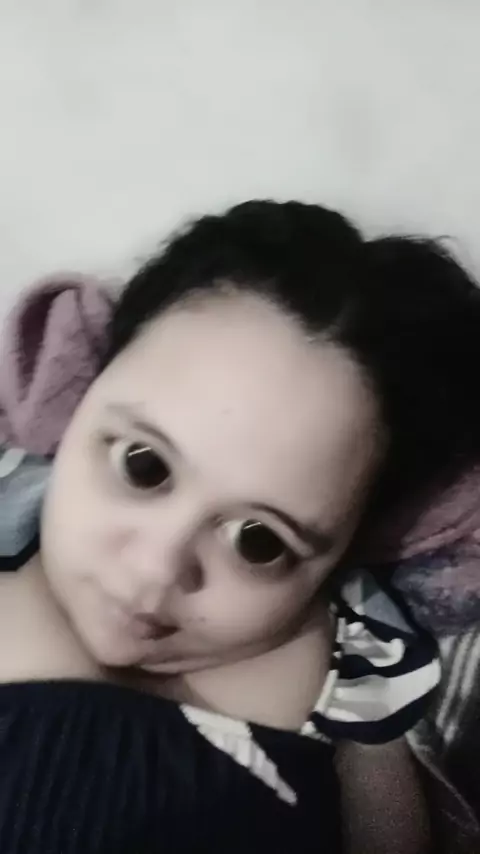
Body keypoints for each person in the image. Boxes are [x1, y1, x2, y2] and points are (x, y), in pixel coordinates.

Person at [0, 200, 479, 854]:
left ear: (350, 542)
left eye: (258, 541)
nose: (155, 569)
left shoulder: (362, 679)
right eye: (143, 465)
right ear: (82, 391)